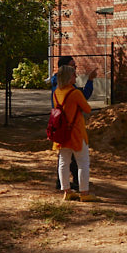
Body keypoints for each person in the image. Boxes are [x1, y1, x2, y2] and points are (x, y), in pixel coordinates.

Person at [49, 56, 99, 190]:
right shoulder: (72, 91)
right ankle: (82, 190)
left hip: (61, 128)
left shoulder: (58, 89)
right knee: (81, 161)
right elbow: (86, 106)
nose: (75, 72)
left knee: (64, 160)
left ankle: (66, 188)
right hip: (74, 129)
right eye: (73, 67)